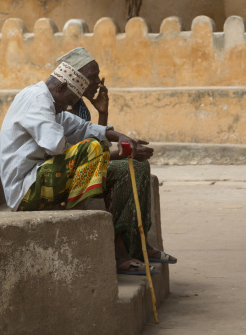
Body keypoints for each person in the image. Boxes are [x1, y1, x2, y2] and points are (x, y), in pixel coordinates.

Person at [56, 47, 177, 274]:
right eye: (92, 77)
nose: (98, 82)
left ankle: (139, 244)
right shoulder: (63, 105)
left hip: (85, 164)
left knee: (139, 167)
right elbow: (78, 155)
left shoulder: (81, 106)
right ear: (77, 79)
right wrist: (124, 153)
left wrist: (102, 112)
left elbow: (98, 148)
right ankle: (120, 251)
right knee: (124, 170)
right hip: (69, 170)